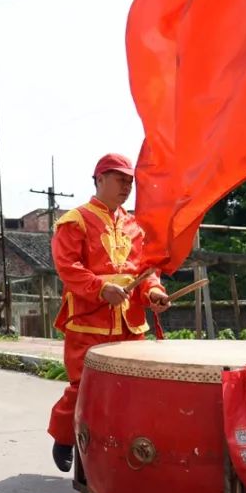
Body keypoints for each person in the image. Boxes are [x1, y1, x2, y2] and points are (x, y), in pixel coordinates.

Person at [48, 153, 170, 471]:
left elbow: (145, 271)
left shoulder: (135, 226)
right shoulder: (75, 220)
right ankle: (63, 436)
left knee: (134, 388)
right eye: (120, 179)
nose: (126, 186)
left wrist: (154, 292)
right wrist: (101, 288)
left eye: (130, 181)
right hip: (90, 319)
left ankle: (120, 451)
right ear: (100, 179)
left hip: (130, 321)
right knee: (83, 386)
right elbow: (68, 268)